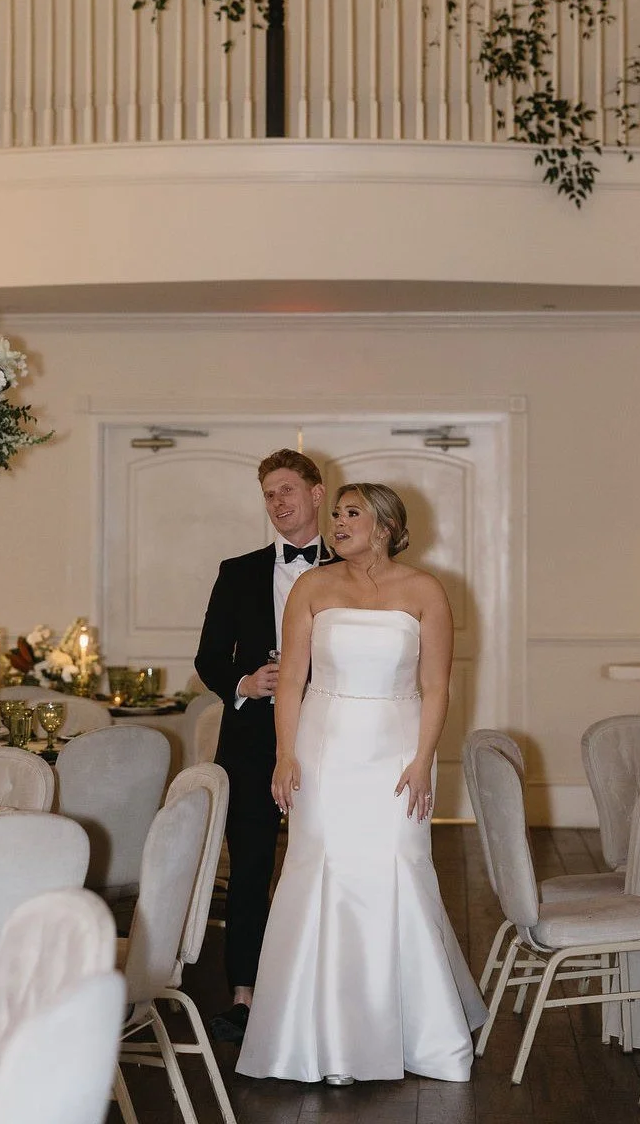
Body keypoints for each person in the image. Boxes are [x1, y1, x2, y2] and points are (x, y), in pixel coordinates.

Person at [236, 482, 487, 1085]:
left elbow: (437, 686)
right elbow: (291, 678)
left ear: (386, 525)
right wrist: (284, 756)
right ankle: (318, 1035)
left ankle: (411, 1029)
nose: (340, 522)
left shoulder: (425, 591)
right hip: (322, 748)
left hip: (395, 748)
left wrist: (424, 758)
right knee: (320, 870)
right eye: (339, 513)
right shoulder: (312, 587)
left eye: (353, 514)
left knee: (397, 867)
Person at [195, 449, 331, 1044]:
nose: (278, 504)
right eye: (269, 495)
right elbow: (207, 659)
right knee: (250, 866)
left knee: (322, 860)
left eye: (288, 491)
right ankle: (244, 995)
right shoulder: (238, 571)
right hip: (250, 742)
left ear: (317, 494)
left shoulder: (354, 567)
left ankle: (320, 982)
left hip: (329, 736)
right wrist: (244, 684)